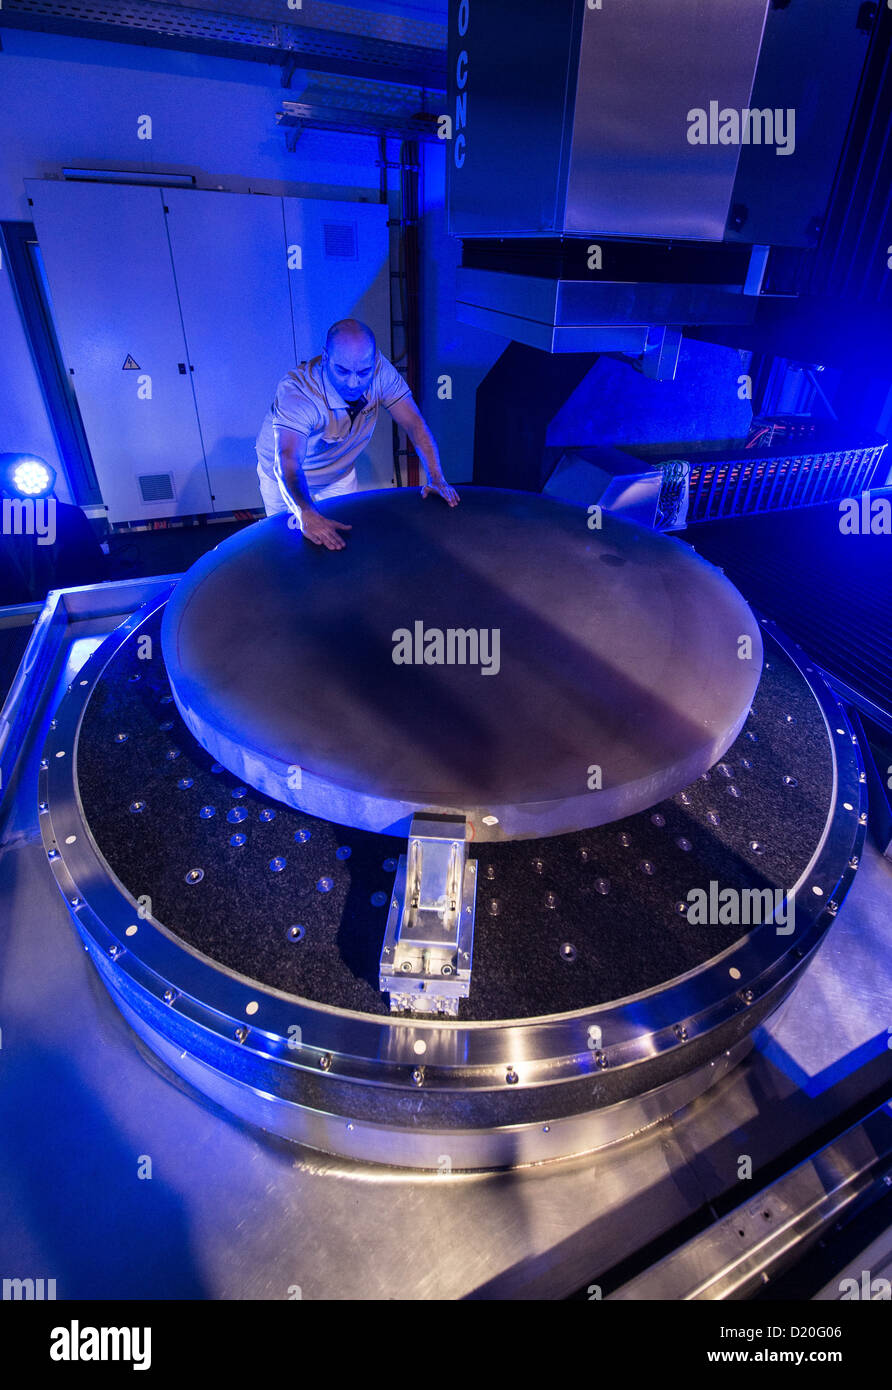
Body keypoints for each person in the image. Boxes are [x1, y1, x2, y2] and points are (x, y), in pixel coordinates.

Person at [255, 318, 459, 550]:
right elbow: (288, 461)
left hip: (337, 475)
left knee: (342, 546)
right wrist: (305, 512)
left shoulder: (381, 372)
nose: (354, 383)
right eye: (342, 371)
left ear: (373, 361)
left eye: (363, 372)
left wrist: (437, 478)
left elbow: (414, 424)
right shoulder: (299, 392)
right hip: (286, 479)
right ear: (325, 358)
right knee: (291, 549)